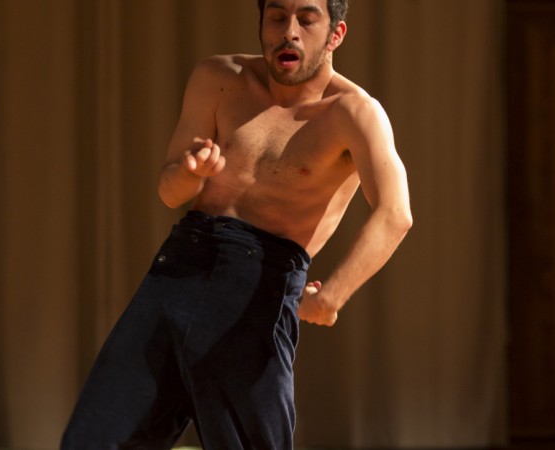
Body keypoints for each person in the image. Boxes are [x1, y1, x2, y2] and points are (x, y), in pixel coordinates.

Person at [61, 0, 412, 448]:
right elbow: (170, 191)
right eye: (277, 17)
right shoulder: (219, 78)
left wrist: (332, 296)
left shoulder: (354, 113)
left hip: (260, 286)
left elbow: (395, 213)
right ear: (261, 23)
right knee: (94, 440)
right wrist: (190, 172)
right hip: (181, 267)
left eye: (307, 19)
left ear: (335, 35)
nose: (289, 32)